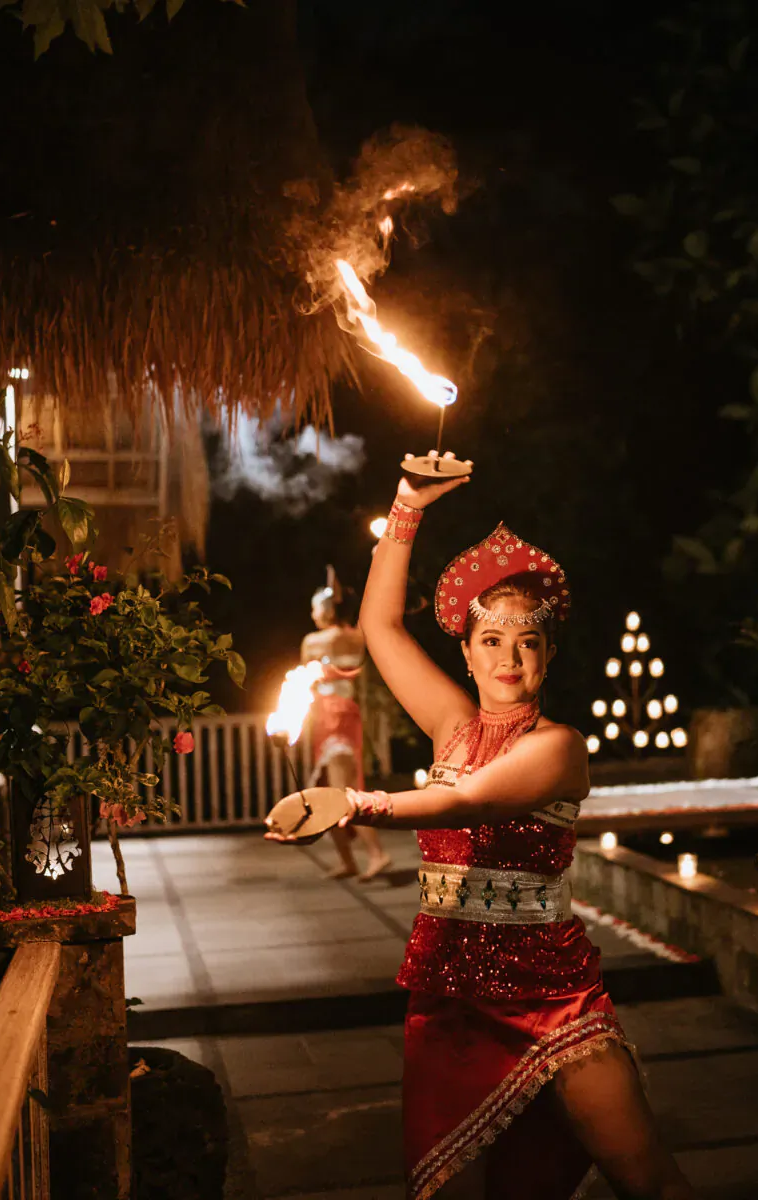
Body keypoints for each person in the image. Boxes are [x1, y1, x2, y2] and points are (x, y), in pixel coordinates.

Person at [269, 476, 694, 1200]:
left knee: (644, 1174)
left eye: (528, 643)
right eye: (491, 640)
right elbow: (378, 630)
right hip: (449, 994)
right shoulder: (452, 725)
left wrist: (355, 802)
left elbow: (462, 800)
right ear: (464, 652)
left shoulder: (560, 748)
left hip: (552, 996)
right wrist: (406, 506)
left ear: (550, 654)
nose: (509, 658)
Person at [301, 567, 391, 880]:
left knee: (343, 791)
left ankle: (377, 853)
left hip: (331, 715)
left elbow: (304, 677)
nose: (313, 615)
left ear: (325, 611)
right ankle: (349, 860)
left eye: (315, 609)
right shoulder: (356, 637)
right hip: (341, 713)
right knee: (325, 791)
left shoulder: (314, 640)